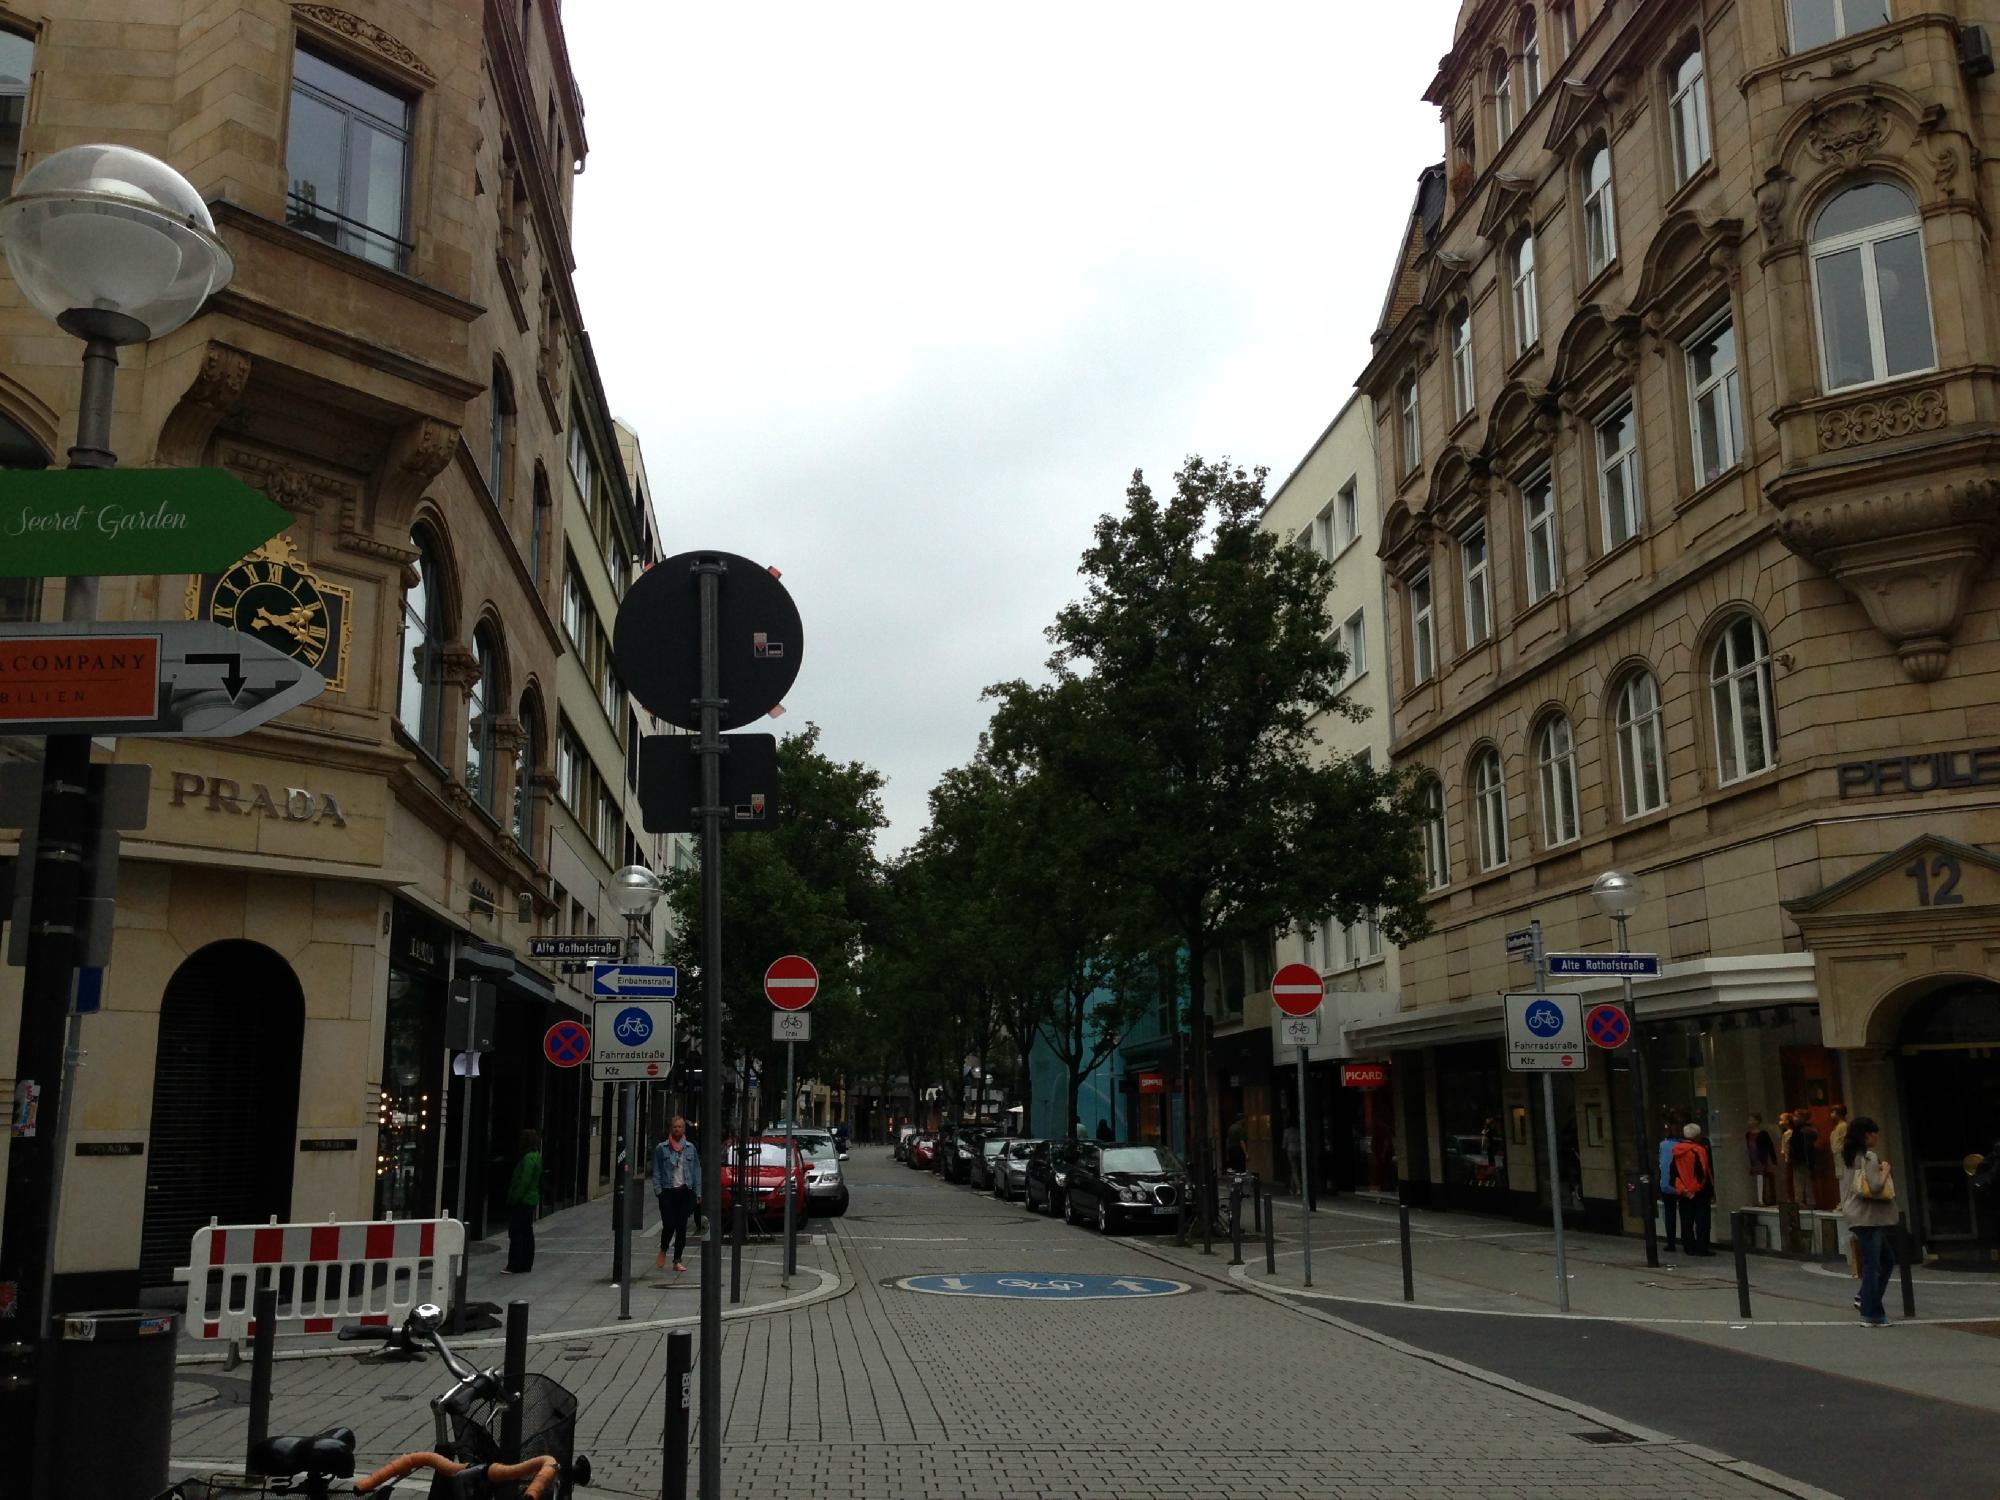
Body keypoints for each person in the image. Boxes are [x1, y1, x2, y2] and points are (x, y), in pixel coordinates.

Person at [1839, 1115, 1897, 1327]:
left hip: (1855, 1214)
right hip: (1868, 1216)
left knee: (1883, 1260)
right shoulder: (1868, 1157)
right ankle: (1871, 1312)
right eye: (1874, 1134)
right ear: (1867, 1135)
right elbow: (1874, 1187)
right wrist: (1885, 1171)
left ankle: (1865, 1297)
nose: (1877, 1138)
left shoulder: (1849, 1156)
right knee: (1876, 1263)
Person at [653, 1115, 701, 1274]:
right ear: (670, 1129)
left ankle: (677, 1260)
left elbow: (696, 1171)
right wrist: (658, 1190)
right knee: (669, 1224)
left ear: (684, 1129)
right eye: (675, 1127)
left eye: (680, 1127)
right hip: (667, 1192)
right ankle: (663, 1248)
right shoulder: (661, 1148)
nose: (677, 1129)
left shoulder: (690, 1148)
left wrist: (697, 1192)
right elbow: (657, 1171)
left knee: (681, 1227)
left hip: (685, 1191)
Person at [1671, 1122, 1716, 1256]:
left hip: (1683, 1192)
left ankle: (1688, 1246)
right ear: (1697, 1135)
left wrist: (1683, 1189)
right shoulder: (1699, 1149)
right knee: (1702, 1221)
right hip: (1699, 1192)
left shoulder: (1677, 1150)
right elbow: (1703, 1172)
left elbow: (1673, 1173)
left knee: (1686, 1220)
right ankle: (1702, 1247)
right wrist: (1696, 1189)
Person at [502, 1129, 542, 1275]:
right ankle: (526, 1263)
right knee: (527, 1231)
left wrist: (514, 1198)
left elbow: (523, 1181)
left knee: (517, 1232)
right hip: (531, 1199)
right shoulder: (536, 1157)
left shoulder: (528, 1159)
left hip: (523, 1200)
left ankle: (515, 1264)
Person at [1744, 1113, 1778, 1207]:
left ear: (1757, 1122)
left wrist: (1773, 1158)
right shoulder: (1748, 1135)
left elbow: (1770, 1146)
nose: (1749, 1122)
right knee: (1759, 1177)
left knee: (1761, 1177)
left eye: (1751, 1120)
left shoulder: (1763, 1134)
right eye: (1749, 1120)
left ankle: (1761, 1199)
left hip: (1761, 1158)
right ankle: (1761, 1198)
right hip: (1754, 1158)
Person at [1658, 1121, 1682, 1253]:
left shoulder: (1663, 1145)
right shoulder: (1683, 1145)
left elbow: (1661, 1164)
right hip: (1683, 1185)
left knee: (1669, 1213)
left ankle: (1670, 1242)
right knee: (1686, 1215)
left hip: (1667, 1184)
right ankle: (1688, 1242)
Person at [1787, 1108, 1819, 1208]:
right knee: (1800, 1181)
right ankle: (1802, 1201)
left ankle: (1807, 1202)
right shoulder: (1796, 1130)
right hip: (1799, 1159)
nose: (1794, 1118)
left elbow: (1806, 1147)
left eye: (1796, 1116)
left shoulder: (1804, 1131)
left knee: (1804, 1181)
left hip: (1803, 1159)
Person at [1282, 1119, 1302, 1194]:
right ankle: (1292, 1188)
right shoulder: (1298, 1130)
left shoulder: (1286, 1131)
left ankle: (1298, 1188)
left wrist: (1284, 1149)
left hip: (1290, 1150)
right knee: (1296, 1169)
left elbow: (1284, 1144)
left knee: (1294, 1170)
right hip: (1299, 1149)